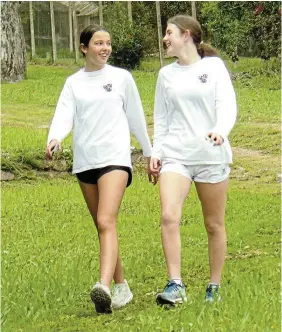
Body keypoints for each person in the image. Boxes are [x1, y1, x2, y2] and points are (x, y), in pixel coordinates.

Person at [46, 25, 154, 314]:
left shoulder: (121, 78)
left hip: (115, 158)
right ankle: (122, 286)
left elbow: (136, 118)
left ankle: (103, 286)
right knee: (103, 225)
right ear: (84, 48)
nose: (105, 48)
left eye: (108, 43)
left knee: (107, 220)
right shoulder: (73, 83)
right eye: (98, 43)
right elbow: (64, 114)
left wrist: (149, 152)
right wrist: (54, 138)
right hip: (85, 161)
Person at [150, 15, 237, 305]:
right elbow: (161, 118)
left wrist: (220, 131)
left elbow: (227, 105)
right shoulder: (166, 75)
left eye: (169, 32)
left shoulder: (213, 67)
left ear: (186, 35)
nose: (165, 38)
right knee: (168, 216)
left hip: (210, 156)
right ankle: (175, 284)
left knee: (214, 224)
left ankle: (214, 286)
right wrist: (156, 153)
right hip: (176, 156)